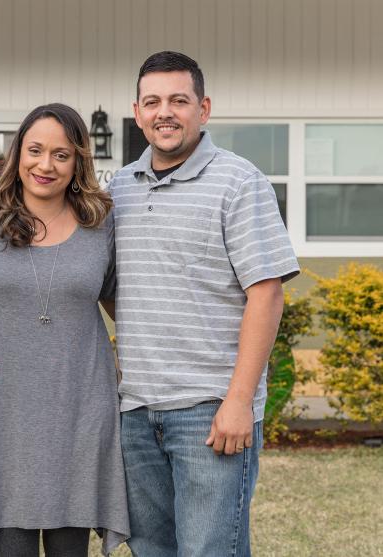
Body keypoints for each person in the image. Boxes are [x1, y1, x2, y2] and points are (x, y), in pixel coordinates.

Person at [109, 51, 300, 557]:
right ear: (137, 110)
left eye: (179, 100)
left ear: (204, 108)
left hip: (210, 412)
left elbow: (267, 292)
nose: (164, 112)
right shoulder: (119, 190)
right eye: (152, 102)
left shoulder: (239, 181)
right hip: (136, 412)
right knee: (150, 549)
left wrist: (238, 401)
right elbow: (114, 287)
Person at [0, 103, 130, 557]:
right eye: (35, 150)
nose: (45, 165)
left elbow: (122, 308)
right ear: (16, 155)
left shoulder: (101, 226)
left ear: (79, 161)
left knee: (71, 547)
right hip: (2, 420)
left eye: (61, 155)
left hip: (81, 412)